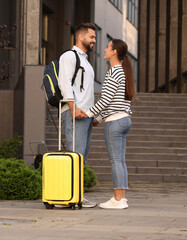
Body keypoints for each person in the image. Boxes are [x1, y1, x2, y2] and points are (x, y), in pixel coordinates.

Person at [86, 39, 135, 209]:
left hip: (115, 122)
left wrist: (88, 114)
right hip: (123, 119)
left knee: (116, 161)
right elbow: (116, 101)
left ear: (114, 52)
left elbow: (106, 99)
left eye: (108, 46)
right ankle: (121, 198)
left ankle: (118, 199)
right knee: (120, 161)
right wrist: (98, 119)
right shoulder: (122, 71)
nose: (105, 49)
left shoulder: (114, 72)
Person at [58, 23, 97, 208]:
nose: (94, 41)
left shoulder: (87, 61)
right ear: (80, 37)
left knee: (82, 158)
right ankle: (72, 197)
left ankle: (76, 195)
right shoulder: (69, 56)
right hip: (75, 113)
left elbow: (86, 91)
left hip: (86, 116)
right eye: (92, 37)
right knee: (75, 156)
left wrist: (92, 115)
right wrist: (73, 107)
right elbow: (64, 83)